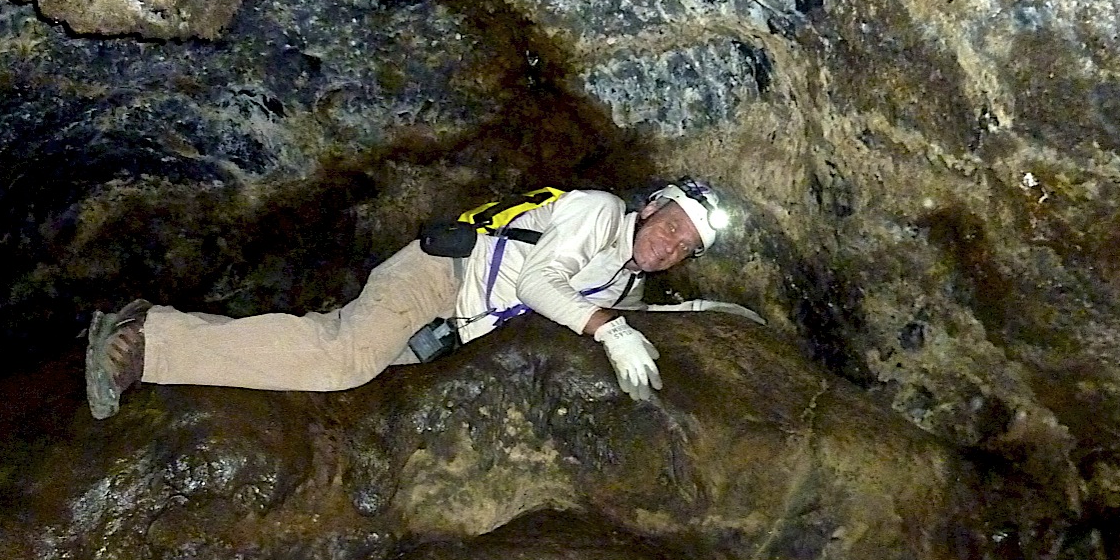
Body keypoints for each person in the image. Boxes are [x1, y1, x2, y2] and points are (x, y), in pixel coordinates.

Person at [84, 179, 760, 419]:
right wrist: (609, 331)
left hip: (451, 325)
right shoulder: (597, 212)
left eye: (685, 249)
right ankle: (149, 346)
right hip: (440, 277)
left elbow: (633, 310)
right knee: (342, 360)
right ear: (649, 209)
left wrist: (715, 319)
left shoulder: (623, 279)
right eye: (671, 227)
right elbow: (535, 284)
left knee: (333, 351)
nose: (670, 246)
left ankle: (169, 324)